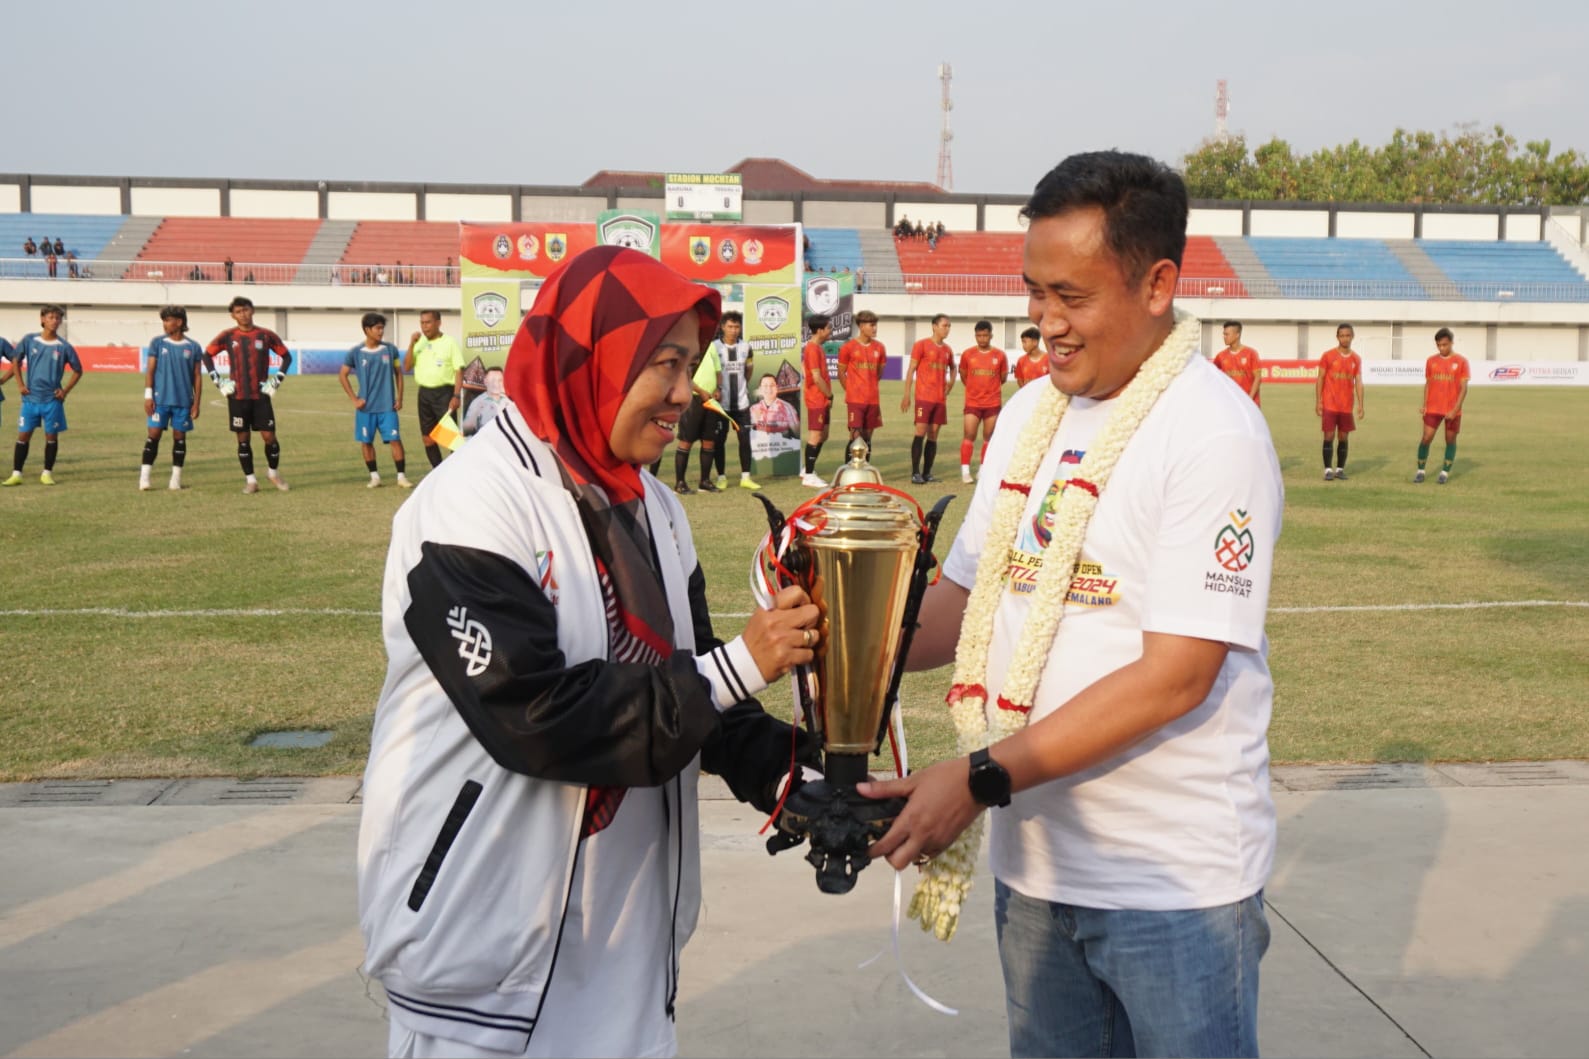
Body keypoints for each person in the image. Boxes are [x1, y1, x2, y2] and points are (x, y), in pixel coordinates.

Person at [858, 151, 1282, 1059]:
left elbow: (1174, 677)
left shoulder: (1211, 431)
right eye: (1032, 290)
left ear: (1157, 284)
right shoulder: (1028, 414)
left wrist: (978, 778)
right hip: (1037, 868)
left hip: (1172, 886)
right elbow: (965, 599)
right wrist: (849, 637)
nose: (1043, 320)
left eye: (1070, 296)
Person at [357, 245, 824, 1059]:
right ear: (594, 359)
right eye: (665, 363)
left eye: (690, 364)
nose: (685, 391)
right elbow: (534, 716)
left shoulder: (657, 506)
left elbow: (693, 684)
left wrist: (790, 775)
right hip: (484, 952)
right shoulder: (469, 502)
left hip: (627, 941)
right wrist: (743, 663)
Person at [203, 295, 292, 493]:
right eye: (238, 311)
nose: (243, 314)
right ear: (232, 315)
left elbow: (287, 357)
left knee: (269, 437)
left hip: (261, 396)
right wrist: (219, 382)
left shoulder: (265, 335)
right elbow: (206, 355)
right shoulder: (227, 336)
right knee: (243, 439)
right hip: (237, 396)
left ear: (252, 310)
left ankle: (273, 473)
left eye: (245, 310)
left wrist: (276, 381)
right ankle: (251, 481)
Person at [3, 304, 82, 486]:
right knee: (23, 436)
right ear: (42, 319)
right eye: (51, 317)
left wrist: (65, 391)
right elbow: (15, 360)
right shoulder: (29, 340)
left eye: (58, 318)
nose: (55, 321)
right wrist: (20, 384)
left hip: (52, 401)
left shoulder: (64, 347)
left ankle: (47, 473)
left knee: (51, 437)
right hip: (30, 400)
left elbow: (78, 370)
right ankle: (16, 474)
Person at [340, 312, 412, 489]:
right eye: (378, 328)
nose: (381, 332)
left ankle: (401, 477)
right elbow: (343, 375)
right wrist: (354, 399)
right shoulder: (356, 352)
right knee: (366, 442)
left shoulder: (390, 350)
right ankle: (374, 477)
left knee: (395, 440)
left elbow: (398, 374)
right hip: (366, 408)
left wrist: (400, 397)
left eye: (382, 328)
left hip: (388, 406)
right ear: (367, 330)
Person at [139, 306, 205, 491]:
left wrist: (196, 403)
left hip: (183, 403)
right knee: (153, 436)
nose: (165, 324)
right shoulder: (158, 343)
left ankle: (175, 480)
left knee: (180, 439)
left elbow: (197, 376)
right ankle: (144, 479)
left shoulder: (193, 346)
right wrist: (148, 396)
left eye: (168, 320)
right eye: (164, 321)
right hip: (159, 401)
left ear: (179, 322)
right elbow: (150, 371)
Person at [404, 310, 466, 469]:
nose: (425, 326)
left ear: (438, 323)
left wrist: (456, 395)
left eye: (428, 322)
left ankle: (456, 471)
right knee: (427, 438)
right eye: (422, 323)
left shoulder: (450, 342)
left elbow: (459, 370)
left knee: (451, 439)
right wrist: (411, 344)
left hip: (444, 394)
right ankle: (437, 471)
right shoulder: (419, 343)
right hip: (424, 394)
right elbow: (407, 366)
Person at [706, 311, 760, 491]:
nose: (734, 330)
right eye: (730, 326)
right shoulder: (714, 347)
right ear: (722, 327)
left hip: (742, 403)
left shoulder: (746, 347)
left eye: (737, 327)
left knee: (744, 439)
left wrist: (743, 385)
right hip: (721, 404)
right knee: (719, 440)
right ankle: (721, 477)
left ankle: (746, 477)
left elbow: (749, 370)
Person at [902, 313, 956, 484]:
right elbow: (911, 370)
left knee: (933, 436)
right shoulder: (921, 345)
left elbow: (953, 368)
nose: (947, 329)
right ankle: (915, 473)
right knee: (920, 432)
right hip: (924, 398)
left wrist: (951, 383)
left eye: (949, 326)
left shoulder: (947, 350)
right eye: (944, 326)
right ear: (934, 326)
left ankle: (927, 473)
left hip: (940, 400)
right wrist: (906, 395)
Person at [671, 326, 723, 494]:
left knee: (709, 441)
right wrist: (700, 391)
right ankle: (680, 483)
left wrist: (718, 388)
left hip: (710, 400)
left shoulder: (712, 346)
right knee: (686, 440)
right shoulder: (689, 346)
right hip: (693, 399)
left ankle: (705, 481)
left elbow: (718, 371)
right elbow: (684, 374)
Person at [1415, 327, 1470, 484]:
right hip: (1433, 408)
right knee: (1426, 438)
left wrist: (1455, 409)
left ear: (1451, 343)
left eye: (1444, 345)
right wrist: (1425, 405)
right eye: (1439, 345)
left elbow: (1464, 388)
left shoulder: (1461, 361)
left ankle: (1444, 473)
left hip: (1452, 410)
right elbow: (1428, 383)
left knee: (1450, 440)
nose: (1441, 348)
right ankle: (1420, 471)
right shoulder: (1431, 361)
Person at [958, 320, 1009, 483]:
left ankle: (982, 469)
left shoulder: (1000, 355)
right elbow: (964, 375)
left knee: (988, 437)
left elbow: (1002, 378)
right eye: (979, 336)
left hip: (992, 403)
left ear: (991, 335)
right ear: (975, 336)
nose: (982, 339)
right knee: (969, 434)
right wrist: (973, 390)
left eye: (985, 335)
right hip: (973, 402)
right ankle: (965, 471)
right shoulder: (968, 354)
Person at [1316, 323, 1363, 481]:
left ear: (1352, 336)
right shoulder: (1328, 356)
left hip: (1346, 406)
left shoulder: (1356, 359)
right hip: (1330, 403)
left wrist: (1361, 405)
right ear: (1337, 337)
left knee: (1343, 437)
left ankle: (1340, 470)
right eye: (1342, 335)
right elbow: (1320, 378)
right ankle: (1328, 470)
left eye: (1347, 335)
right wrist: (1319, 401)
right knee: (1329, 435)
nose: (1345, 338)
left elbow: (1358, 381)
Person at [837, 309, 886, 451]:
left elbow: (879, 373)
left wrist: (870, 386)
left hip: (873, 400)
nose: (875, 328)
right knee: (855, 436)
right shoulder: (848, 347)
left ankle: (866, 465)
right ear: (862, 326)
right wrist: (851, 390)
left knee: (867, 438)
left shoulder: (880, 348)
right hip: (855, 400)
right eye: (872, 325)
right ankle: (849, 465)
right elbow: (841, 372)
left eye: (875, 325)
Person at [799, 314, 834, 487]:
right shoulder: (812, 348)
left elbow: (805, 368)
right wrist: (829, 394)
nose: (830, 331)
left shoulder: (817, 348)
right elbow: (816, 377)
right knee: (816, 435)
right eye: (828, 328)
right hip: (816, 399)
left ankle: (807, 468)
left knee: (824, 435)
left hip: (822, 399)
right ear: (820, 330)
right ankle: (809, 476)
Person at [1213, 321, 1261, 405]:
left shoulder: (1251, 353)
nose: (1224, 337)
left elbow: (1257, 377)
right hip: (1231, 403)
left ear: (1237, 335)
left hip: (1250, 403)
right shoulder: (1221, 356)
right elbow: (1213, 374)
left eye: (1227, 334)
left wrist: (1249, 399)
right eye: (1224, 334)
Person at [461, 366, 510, 436]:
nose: (496, 384)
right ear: (486, 382)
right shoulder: (477, 402)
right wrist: (476, 413)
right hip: (486, 438)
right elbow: (465, 430)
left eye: (500, 380)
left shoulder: (509, 402)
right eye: (492, 380)